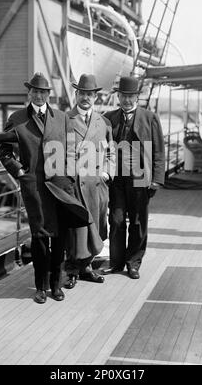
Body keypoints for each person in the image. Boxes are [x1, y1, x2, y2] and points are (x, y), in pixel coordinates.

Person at [0, 72, 90, 303]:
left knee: (59, 237)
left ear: (49, 94)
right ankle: (40, 287)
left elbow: (71, 150)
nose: (39, 96)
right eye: (35, 91)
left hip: (60, 186)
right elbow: (4, 151)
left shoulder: (61, 118)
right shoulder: (17, 118)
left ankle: (56, 286)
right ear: (29, 93)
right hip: (35, 187)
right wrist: (19, 172)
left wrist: (68, 176)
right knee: (40, 237)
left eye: (43, 92)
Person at [102, 76, 165, 279]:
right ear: (118, 96)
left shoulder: (149, 118)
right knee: (117, 220)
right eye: (124, 96)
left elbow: (158, 151)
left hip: (140, 177)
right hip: (117, 179)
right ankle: (117, 262)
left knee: (138, 222)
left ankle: (134, 263)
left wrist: (156, 178)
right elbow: (101, 150)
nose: (127, 100)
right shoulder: (108, 118)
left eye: (131, 96)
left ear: (137, 97)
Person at [64, 74, 116, 290]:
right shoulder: (64, 120)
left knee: (97, 227)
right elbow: (58, 154)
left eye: (90, 94)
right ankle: (72, 270)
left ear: (96, 97)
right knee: (75, 230)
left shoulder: (103, 122)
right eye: (82, 93)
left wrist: (107, 173)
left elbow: (111, 153)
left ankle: (86, 267)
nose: (86, 98)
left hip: (97, 186)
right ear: (77, 94)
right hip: (76, 185)